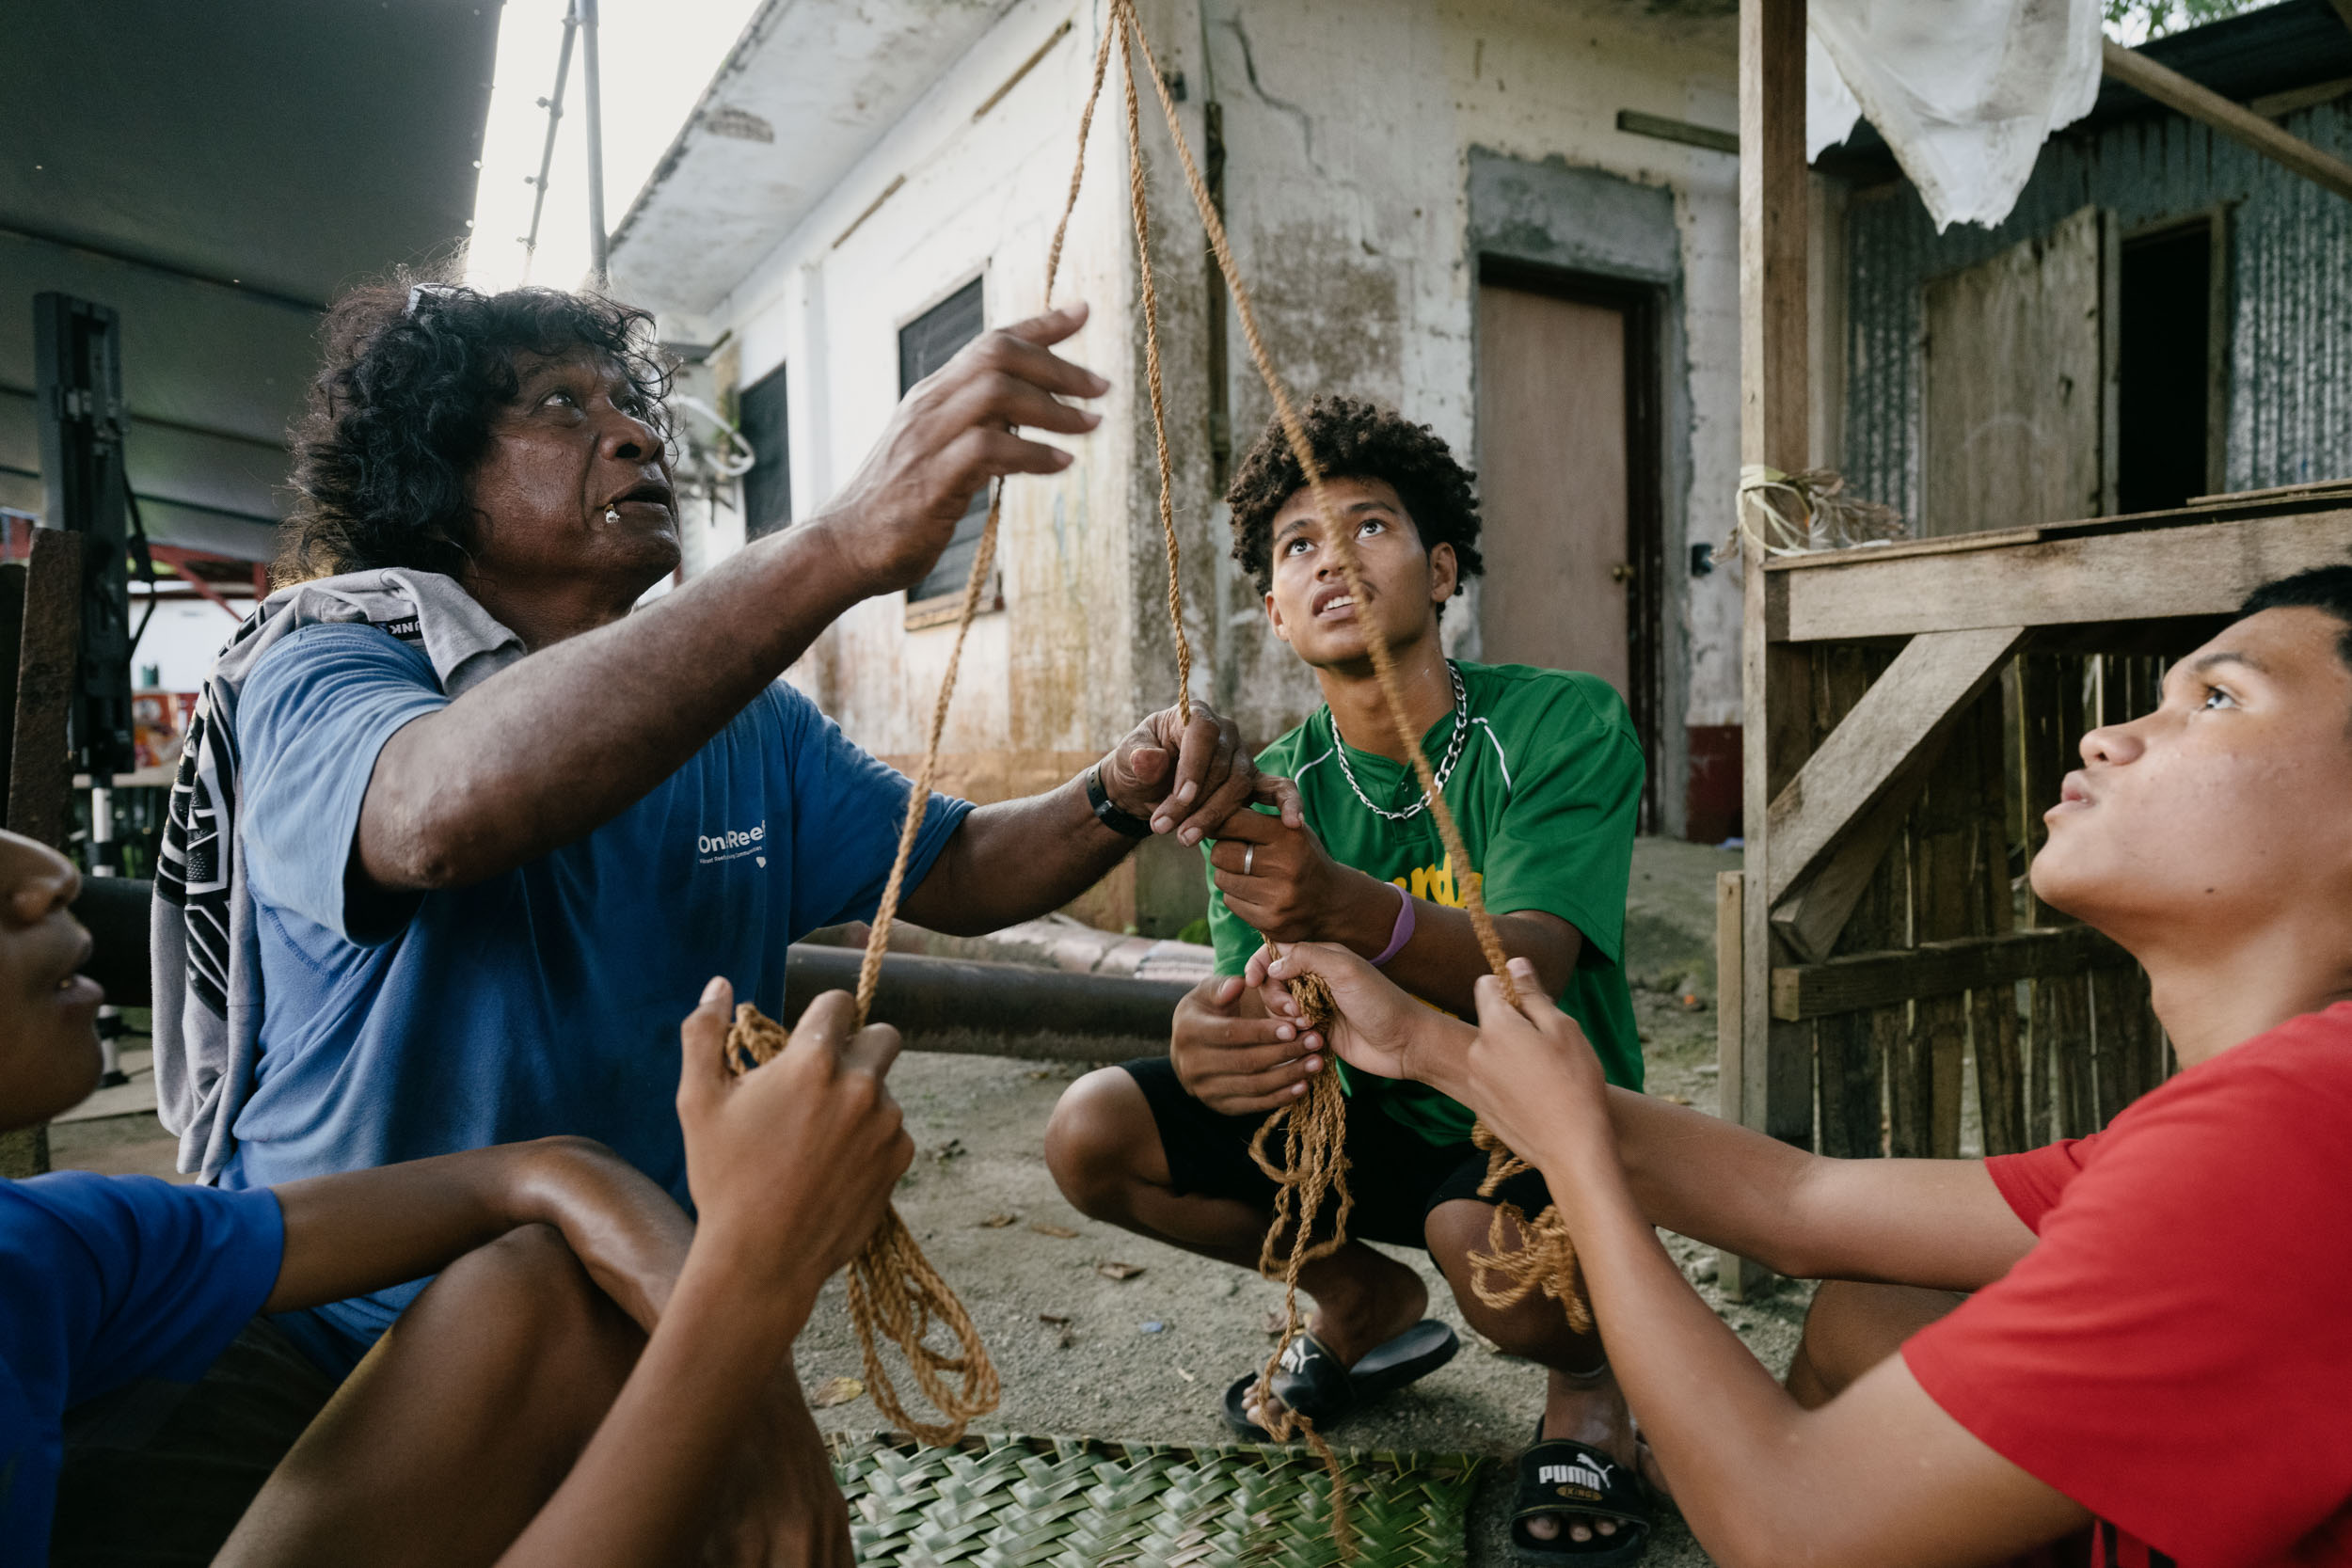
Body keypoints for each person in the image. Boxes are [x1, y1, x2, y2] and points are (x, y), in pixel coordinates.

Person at [154, 278, 1290, 1393]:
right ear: (433, 472)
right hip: (333, 1346)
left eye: (627, 404)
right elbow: (431, 818)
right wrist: (840, 543)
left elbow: (954, 867)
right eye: (561, 405)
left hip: (628, 1319)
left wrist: (1116, 792)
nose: (635, 436)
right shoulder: (329, 662)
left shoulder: (742, 719)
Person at [1253, 566, 2352, 1568]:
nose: (2112, 734)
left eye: (2217, 700)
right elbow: (1800, 1198)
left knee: (1796, 1472)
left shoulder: (2284, 1135)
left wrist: (1580, 1165)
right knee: (1860, 1315)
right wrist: (1424, 1045)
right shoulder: (2279, 1100)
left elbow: (1792, 1526)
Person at [1045, 397, 1654, 1561]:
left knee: (1493, 1258)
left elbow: (1528, 958)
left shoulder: (1559, 720)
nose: (1332, 559)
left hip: (1524, 1119)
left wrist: (1337, 904)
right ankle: (1362, 1302)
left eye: (1368, 527)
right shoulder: (1268, 786)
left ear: (1438, 569)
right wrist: (1218, 1038)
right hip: (1355, 1121)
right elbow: (1261, 994)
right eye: (1297, 547)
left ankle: (1590, 1383)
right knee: (1093, 1130)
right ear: (1275, 611)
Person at [3, 826, 916, 1566]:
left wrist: (765, 1411)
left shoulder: (42, 1241)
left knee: (551, 1287)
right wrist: (751, 1274)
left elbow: (547, 1171)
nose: (45, 872)